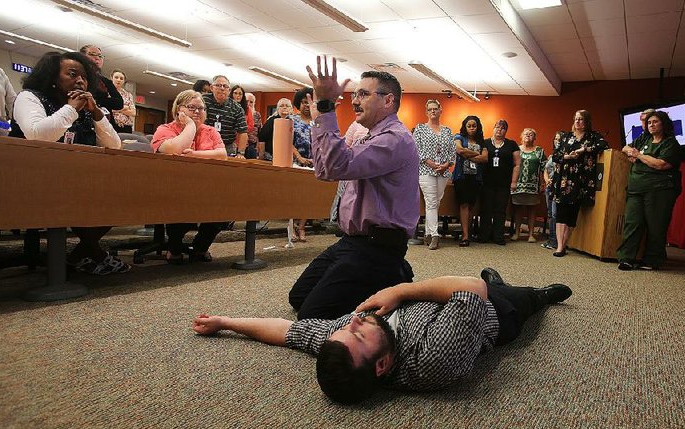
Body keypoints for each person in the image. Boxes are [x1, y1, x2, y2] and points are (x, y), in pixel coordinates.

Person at [193, 268, 572, 404]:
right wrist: (400, 292)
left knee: (484, 282)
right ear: (384, 365)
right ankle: (536, 294)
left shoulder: (340, 340)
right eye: (358, 337)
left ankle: (499, 279)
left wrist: (225, 321)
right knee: (522, 299)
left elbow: (286, 331)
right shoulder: (433, 362)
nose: (353, 324)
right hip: (493, 313)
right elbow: (469, 290)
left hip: (444, 298)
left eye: (344, 330)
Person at [287, 56, 419, 320]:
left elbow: (336, 167)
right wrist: (320, 119)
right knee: (298, 298)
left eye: (363, 94)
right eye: (355, 94)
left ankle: (393, 275)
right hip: (352, 242)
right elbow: (325, 171)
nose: (354, 100)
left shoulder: (395, 140)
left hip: (377, 248)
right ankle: (391, 275)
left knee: (312, 316)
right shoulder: (371, 136)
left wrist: (325, 109)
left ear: (388, 101)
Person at [9, 51, 128, 275]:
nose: (80, 81)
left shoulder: (86, 107)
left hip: (75, 179)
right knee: (76, 196)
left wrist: (95, 113)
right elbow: (37, 135)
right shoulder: (29, 97)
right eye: (72, 74)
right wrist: (71, 108)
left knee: (119, 200)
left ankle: (75, 257)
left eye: (84, 77)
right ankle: (96, 254)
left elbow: (114, 145)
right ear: (52, 77)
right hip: (29, 178)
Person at [151, 89, 228, 263]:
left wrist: (194, 155)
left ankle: (200, 248)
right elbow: (174, 149)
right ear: (179, 109)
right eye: (192, 107)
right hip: (174, 188)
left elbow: (222, 154)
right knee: (181, 207)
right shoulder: (165, 129)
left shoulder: (211, 131)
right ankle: (174, 249)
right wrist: (190, 126)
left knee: (225, 208)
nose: (197, 112)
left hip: (208, 187)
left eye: (201, 108)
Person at [616, 110, 682, 270]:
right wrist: (631, 152)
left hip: (660, 190)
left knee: (656, 225)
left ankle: (652, 260)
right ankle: (626, 258)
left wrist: (638, 156)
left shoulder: (670, 143)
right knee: (632, 222)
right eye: (649, 123)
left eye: (655, 122)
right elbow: (626, 147)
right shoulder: (644, 138)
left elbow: (661, 164)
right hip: (636, 188)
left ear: (664, 124)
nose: (651, 125)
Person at [550, 110, 608, 257]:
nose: (578, 122)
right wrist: (568, 156)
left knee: (572, 213)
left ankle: (565, 243)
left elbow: (603, 146)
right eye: (576, 119)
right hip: (564, 179)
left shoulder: (593, 136)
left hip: (581, 180)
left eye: (581, 119)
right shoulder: (565, 136)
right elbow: (555, 155)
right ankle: (560, 246)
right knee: (561, 212)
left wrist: (585, 150)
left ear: (587, 121)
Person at [413, 99, 455, 250]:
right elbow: (417, 149)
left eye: (435, 109)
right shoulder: (420, 129)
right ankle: (435, 235)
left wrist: (446, 165)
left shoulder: (447, 131)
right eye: (430, 109)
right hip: (426, 170)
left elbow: (452, 151)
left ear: (440, 111)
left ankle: (427, 232)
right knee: (431, 202)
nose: (433, 111)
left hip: (443, 172)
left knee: (436, 202)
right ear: (426, 112)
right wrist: (430, 162)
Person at [478, 120, 520, 245]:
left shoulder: (511, 144)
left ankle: (498, 236)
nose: (499, 130)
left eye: (502, 128)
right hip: (486, 182)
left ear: (505, 131)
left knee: (500, 210)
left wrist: (514, 181)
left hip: (504, 183)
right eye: (497, 127)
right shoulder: (485, 143)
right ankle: (484, 235)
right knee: (486, 209)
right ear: (493, 128)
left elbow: (517, 164)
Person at [452, 116, 486, 247]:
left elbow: (485, 158)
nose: (472, 128)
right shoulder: (459, 137)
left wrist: (467, 154)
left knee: (471, 205)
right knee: (464, 204)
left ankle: (468, 231)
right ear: (465, 127)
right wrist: (476, 154)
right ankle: (465, 236)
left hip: (476, 177)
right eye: (469, 126)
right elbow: (459, 150)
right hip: (462, 176)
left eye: (474, 126)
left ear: (478, 127)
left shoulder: (481, 141)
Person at [511, 128, 546, 242]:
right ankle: (517, 233)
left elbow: (543, 168)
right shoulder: (516, 150)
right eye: (526, 134)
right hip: (518, 185)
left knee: (532, 210)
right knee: (518, 209)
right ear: (521, 136)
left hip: (533, 186)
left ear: (534, 138)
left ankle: (531, 234)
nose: (528, 136)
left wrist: (542, 183)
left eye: (531, 135)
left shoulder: (539, 151)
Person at [289, 86, 315, 242]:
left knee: (308, 197)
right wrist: (298, 157)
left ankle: (302, 227)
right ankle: (291, 226)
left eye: (309, 102)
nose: (306, 105)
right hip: (295, 162)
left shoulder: (318, 122)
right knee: (294, 196)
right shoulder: (292, 120)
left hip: (313, 163)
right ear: (299, 103)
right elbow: (287, 142)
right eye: (303, 102)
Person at [202, 75, 247, 157]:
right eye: (218, 85)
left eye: (225, 86)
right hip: (203, 144)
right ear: (212, 88)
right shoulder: (202, 101)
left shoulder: (237, 108)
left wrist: (241, 153)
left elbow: (243, 132)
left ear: (229, 90)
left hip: (226, 146)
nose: (222, 88)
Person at [79, 45, 123, 127]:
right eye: (92, 54)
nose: (97, 58)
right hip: (81, 120)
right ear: (82, 57)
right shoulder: (77, 77)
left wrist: (96, 101)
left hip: (104, 122)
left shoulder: (105, 81)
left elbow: (119, 103)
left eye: (100, 56)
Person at [540, 132, 563, 250]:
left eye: (560, 139)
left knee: (555, 214)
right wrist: (547, 179)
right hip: (549, 187)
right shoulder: (551, 156)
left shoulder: (564, 155)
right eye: (556, 139)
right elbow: (545, 170)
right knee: (550, 214)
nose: (557, 141)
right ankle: (551, 239)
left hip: (558, 188)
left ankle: (556, 241)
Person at [109, 69, 136, 133]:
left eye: (121, 78)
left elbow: (133, 113)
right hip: (111, 125)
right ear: (111, 78)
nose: (119, 80)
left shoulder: (128, 95)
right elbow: (107, 109)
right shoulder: (106, 92)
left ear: (124, 81)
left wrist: (117, 109)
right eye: (116, 77)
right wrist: (125, 108)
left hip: (126, 127)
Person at [245, 92, 261, 159]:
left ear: (254, 104)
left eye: (251, 102)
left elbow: (259, 131)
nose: (248, 104)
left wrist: (258, 145)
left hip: (253, 145)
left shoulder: (257, 115)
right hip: (241, 144)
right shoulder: (239, 113)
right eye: (246, 101)